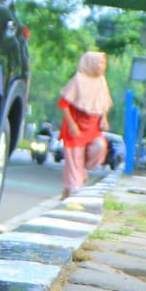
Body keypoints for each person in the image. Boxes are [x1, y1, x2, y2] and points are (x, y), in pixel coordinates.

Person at [59, 51, 112, 195]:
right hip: (75, 126)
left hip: (93, 127)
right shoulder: (78, 80)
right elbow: (64, 104)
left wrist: (104, 119)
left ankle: (82, 170)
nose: (102, 67)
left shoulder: (101, 81)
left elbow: (103, 103)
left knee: (100, 146)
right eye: (100, 63)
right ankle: (73, 192)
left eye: (104, 64)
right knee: (74, 158)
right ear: (91, 63)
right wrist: (71, 124)